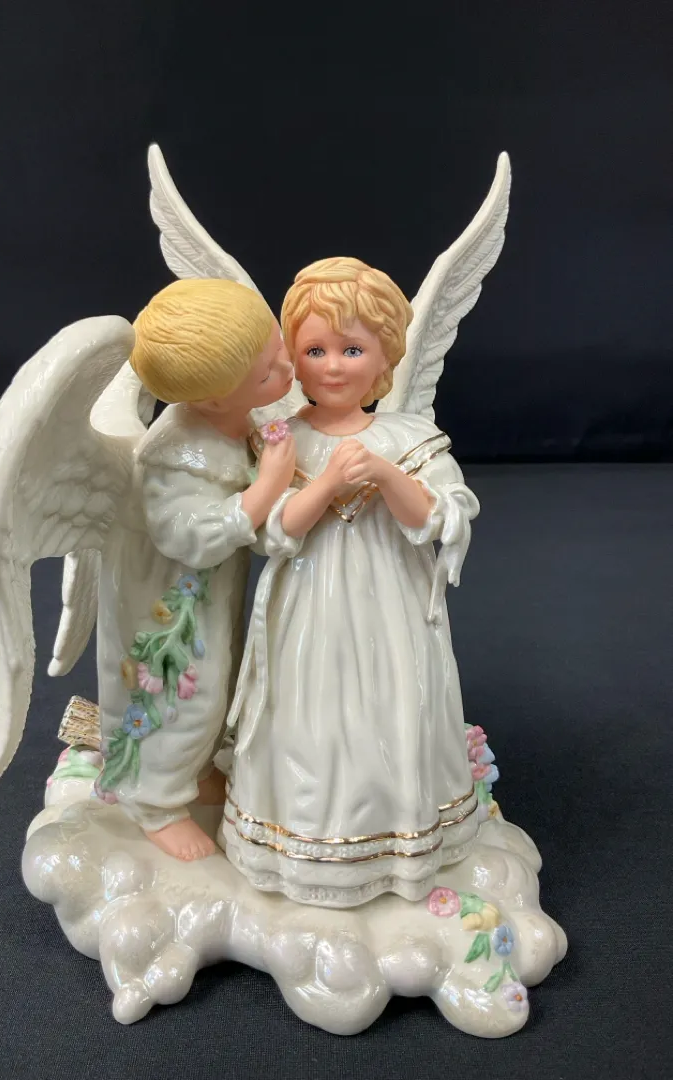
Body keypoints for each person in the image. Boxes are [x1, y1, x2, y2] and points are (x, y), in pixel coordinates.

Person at [221, 258, 481, 905]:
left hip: (388, 604)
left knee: (391, 704)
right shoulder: (278, 436)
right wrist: (331, 482)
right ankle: (306, 840)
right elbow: (272, 531)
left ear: (386, 355)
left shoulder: (411, 436)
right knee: (309, 710)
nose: (333, 366)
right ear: (291, 355)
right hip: (308, 604)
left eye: (352, 349)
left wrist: (388, 475)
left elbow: (437, 521)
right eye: (315, 350)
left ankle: (393, 837)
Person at [94, 277, 296, 861]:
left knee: (222, 684)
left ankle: (194, 770)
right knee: (185, 694)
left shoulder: (227, 420)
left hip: (208, 595)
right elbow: (189, 537)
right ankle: (153, 801)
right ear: (212, 400)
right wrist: (267, 487)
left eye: (279, 349)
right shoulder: (176, 454)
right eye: (268, 373)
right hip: (166, 606)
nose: (287, 369)